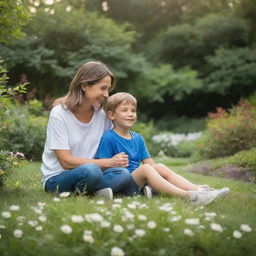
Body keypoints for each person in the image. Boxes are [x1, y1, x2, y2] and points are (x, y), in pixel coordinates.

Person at [95, 92, 230, 205]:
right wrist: (114, 162)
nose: (130, 114)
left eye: (133, 110)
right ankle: (190, 197)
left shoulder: (138, 138)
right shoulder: (109, 138)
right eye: (125, 110)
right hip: (123, 184)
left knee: (159, 166)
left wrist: (158, 177)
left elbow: (151, 165)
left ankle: (199, 191)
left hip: (138, 182)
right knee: (146, 169)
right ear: (112, 115)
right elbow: (102, 167)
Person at [40, 62, 134, 200]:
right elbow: (65, 161)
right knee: (91, 170)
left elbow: (115, 142)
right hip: (58, 177)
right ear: (84, 86)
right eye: (103, 88)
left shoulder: (102, 115)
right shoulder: (60, 113)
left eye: (108, 89)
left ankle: (91, 193)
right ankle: (97, 191)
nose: (107, 95)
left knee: (123, 174)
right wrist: (107, 163)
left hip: (94, 172)